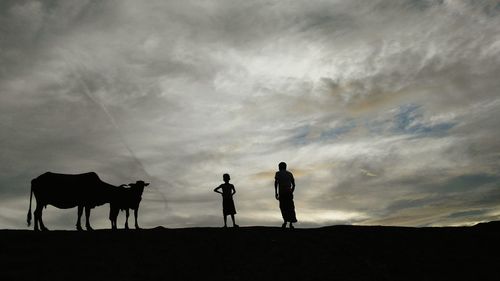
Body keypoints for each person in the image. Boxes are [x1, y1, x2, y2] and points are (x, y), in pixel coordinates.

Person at [275, 162, 297, 229]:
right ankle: (290, 223)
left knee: (283, 207)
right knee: (290, 207)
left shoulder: (278, 173)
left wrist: (276, 193)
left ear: (280, 167)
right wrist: (291, 191)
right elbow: (294, 184)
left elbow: (276, 183)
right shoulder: (290, 174)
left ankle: (285, 222)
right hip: (288, 193)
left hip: (282, 193)